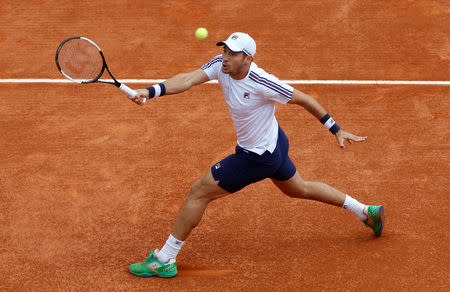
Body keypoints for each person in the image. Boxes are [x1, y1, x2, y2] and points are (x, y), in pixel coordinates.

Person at [127, 32, 385, 278]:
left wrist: (336, 130)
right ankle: (365, 211)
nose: (226, 57)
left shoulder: (263, 82)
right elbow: (187, 79)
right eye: (225, 50)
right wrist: (151, 91)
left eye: (233, 54)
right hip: (275, 143)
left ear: (248, 59)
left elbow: (305, 99)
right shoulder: (221, 65)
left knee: (199, 192)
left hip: (257, 157)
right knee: (299, 188)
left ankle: (165, 260)